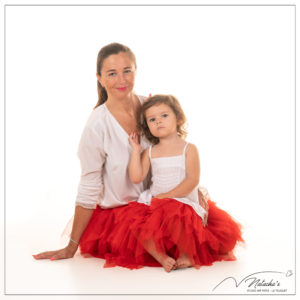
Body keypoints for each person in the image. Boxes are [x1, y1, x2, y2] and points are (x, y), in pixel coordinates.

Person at [32, 43, 208, 262]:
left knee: (193, 238)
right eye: (112, 74)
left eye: (127, 71)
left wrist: (190, 190)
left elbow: (171, 151)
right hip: (127, 218)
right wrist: (72, 245)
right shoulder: (97, 125)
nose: (122, 80)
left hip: (162, 208)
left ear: (136, 70)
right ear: (100, 78)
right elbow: (89, 185)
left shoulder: (151, 108)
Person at [101, 95, 243, 272]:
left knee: (180, 216)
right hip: (156, 200)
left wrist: (167, 197)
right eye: (152, 119)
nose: (158, 121)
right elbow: (136, 177)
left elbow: (192, 180)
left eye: (164, 116)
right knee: (135, 222)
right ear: (148, 126)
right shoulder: (150, 151)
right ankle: (160, 256)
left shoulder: (188, 149)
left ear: (178, 118)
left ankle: (187, 254)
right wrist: (136, 151)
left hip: (183, 200)